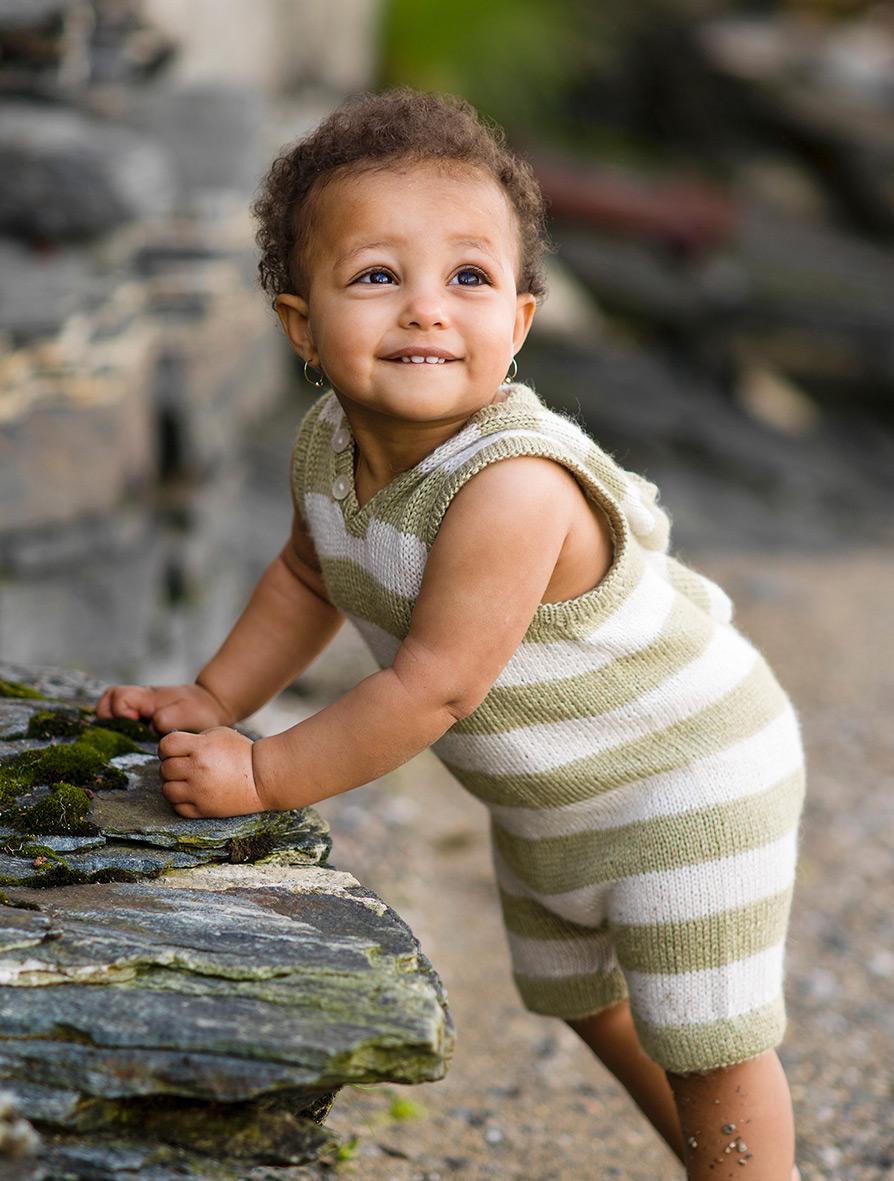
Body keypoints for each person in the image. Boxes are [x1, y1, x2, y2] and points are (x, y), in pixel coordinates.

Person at [96, 89, 805, 1180]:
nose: (427, 308)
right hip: (562, 787)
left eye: (469, 278)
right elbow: (304, 574)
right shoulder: (328, 443)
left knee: (707, 1033)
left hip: (689, 774)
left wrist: (263, 771)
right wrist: (217, 698)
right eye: (379, 275)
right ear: (301, 325)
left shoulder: (509, 486)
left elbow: (433, 689)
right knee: (586, 996)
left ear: (518, 323)